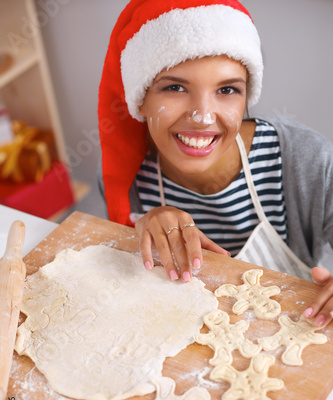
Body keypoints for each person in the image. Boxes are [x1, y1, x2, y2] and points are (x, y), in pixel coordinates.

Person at [98, 0, 333, 327]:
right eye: (175, 87)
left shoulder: (305, 159)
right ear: (141, 98)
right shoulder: (131, 184)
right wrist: (139, 227)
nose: (203, 117)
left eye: (227, 89)